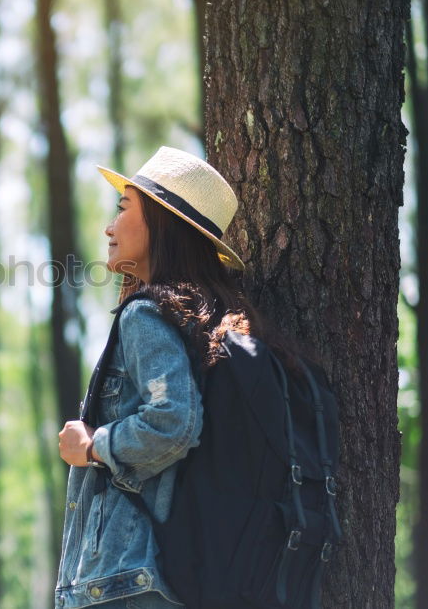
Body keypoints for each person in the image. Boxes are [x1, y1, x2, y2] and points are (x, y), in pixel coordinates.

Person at [55, 146, 261, 609]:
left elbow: (174, 420)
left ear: (162, 224)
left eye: (123, 208)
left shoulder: (145, 314)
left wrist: (91, 446)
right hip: (175, 573)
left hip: (125, 580)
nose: (109, 226)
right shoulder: (208, 317)